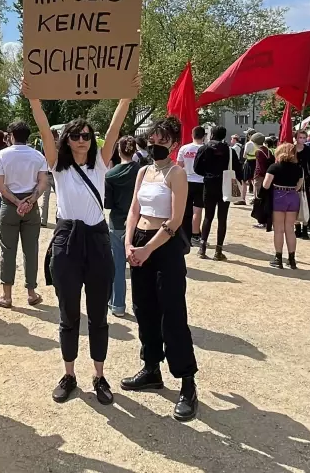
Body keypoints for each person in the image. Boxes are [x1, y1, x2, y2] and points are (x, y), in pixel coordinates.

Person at [29, 95, 131, 406]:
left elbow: (114, 128)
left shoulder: (101, 162)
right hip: (68, 242)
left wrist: (126, 96)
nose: (82, 140)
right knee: (68, 314)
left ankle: (99, 375)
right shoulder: (58, 167)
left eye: (87, 135)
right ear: (67, 140)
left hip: (98, 241)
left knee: (99, 315)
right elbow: (46, 132)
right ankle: (69, 374)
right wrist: (35, 102)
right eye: (76, 135)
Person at [122, 116, 199, 421]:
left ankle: (187, 383)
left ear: (174, 143)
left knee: (172, 313)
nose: (155, 145)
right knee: (143, 309)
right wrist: (129, 244)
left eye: (162, 140)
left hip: (163, 247)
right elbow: (133, 209)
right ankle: (151, 367)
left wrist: (146, 248)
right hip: (139, 241)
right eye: (152, 139)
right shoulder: (143, 171)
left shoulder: (176, 173)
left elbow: (176, 220)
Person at [0, 120, 48, 309]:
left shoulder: (2, 155)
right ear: (27, 136)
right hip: (31, 207)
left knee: (7, 250)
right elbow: (42, 182)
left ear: (11, 136)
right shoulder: (38, 155)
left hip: (9, 205)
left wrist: (17, 202)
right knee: (31, 250)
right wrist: (30, 201)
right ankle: (31, 293)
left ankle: (7, 295)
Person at [193, 126, 244, 260]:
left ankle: (202, 248)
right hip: (225, 185)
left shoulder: (203, 149)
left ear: (212, 134)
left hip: (209, 183)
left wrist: (207, 173)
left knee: (208, 217)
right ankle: (218, 251)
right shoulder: (230, 150)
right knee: (222, 218)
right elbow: (238, 170)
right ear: (224, 136)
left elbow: (196, 168)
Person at [104, 137, 141, 318]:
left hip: (118, 222)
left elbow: (108, 204)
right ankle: (142, 306)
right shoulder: (143, 171)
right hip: (141, 223)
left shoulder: (110, 175)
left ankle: (118, 304)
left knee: (118, 266)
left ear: (119, 151)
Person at [264, 143, 303, 269]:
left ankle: (278, 258)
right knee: (290, 229)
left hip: (278, 196)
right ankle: (292, 259)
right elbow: (299, 186)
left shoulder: (274, 167)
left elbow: (265, 185)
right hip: (292, 196)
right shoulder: (298, 168)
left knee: (279, 229)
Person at [177, 127, 206, 248]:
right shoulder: (205, 149)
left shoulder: (184, 148)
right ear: (204, 136)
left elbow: (179, 165)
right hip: (201, 181)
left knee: (185, 210)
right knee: (197, 210)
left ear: (192, 135)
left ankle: (185, 236)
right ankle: (195, 235)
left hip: (186, 181)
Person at [294, 130, 310, 238]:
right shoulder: (291, 149)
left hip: (306, 181)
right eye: (300, 137)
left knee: (306, 204)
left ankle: (306, 227)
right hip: (293, 180)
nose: (302, 139)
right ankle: (297, 228)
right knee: (295, 204)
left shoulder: (308, 150)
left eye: (304, 137)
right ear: (296, 138)